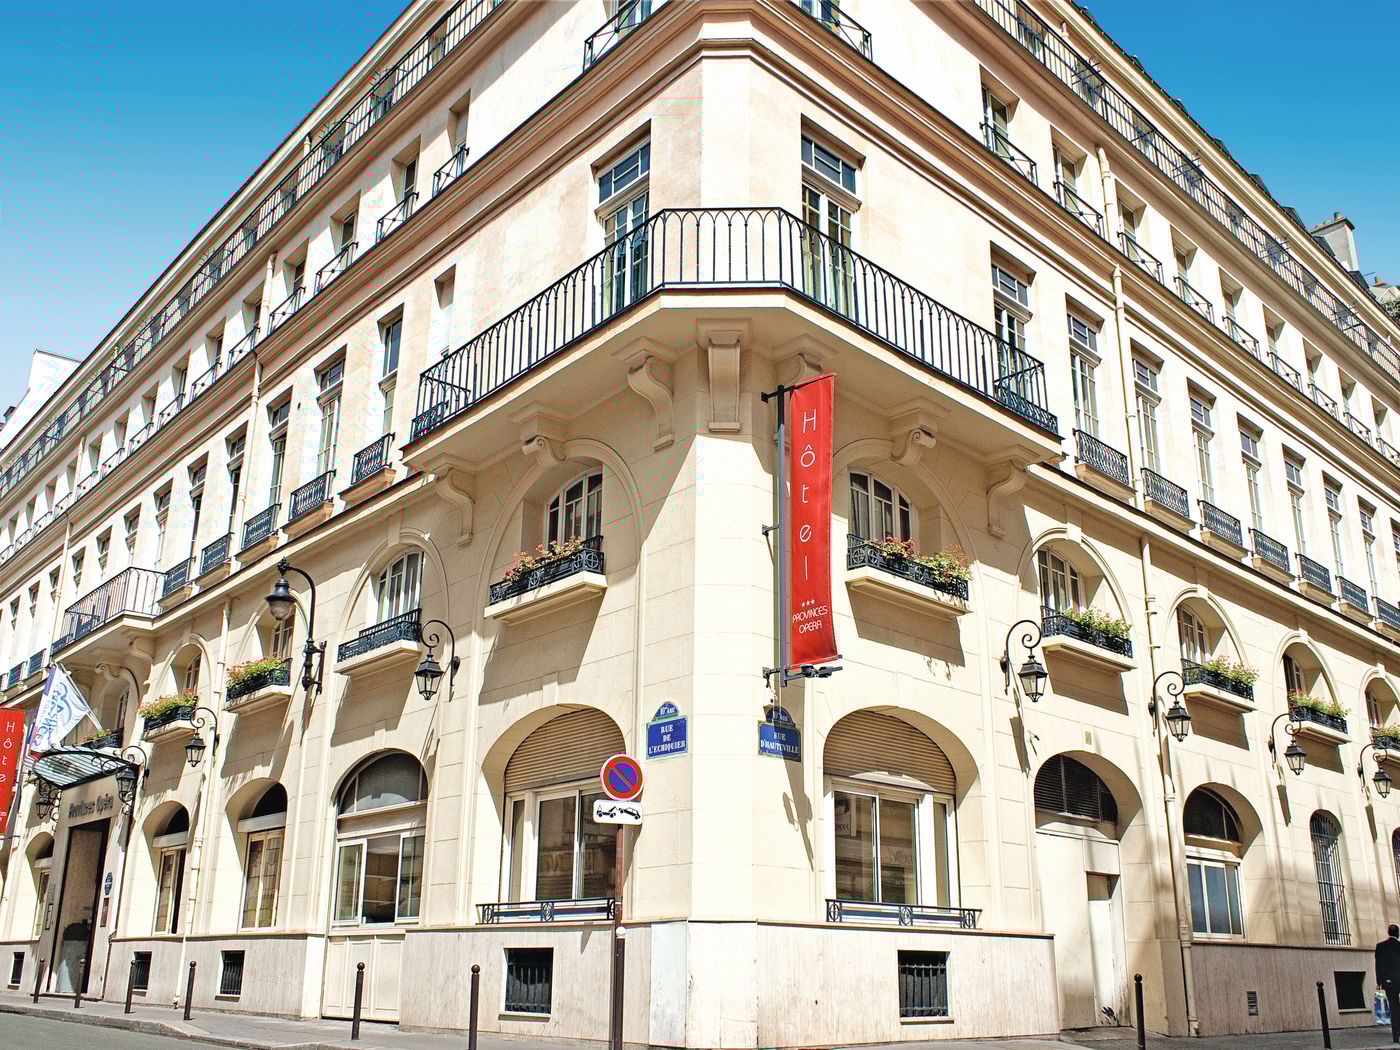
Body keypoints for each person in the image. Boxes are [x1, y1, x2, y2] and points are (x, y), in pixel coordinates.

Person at [1376, 924, 1400, 1043]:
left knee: (1394, 1007)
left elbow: (1378, 965)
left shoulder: (1380, 946)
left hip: (1389, 981)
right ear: (1398, 933)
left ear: (1388, 932)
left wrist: (1379, 981)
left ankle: (1396, 1032)